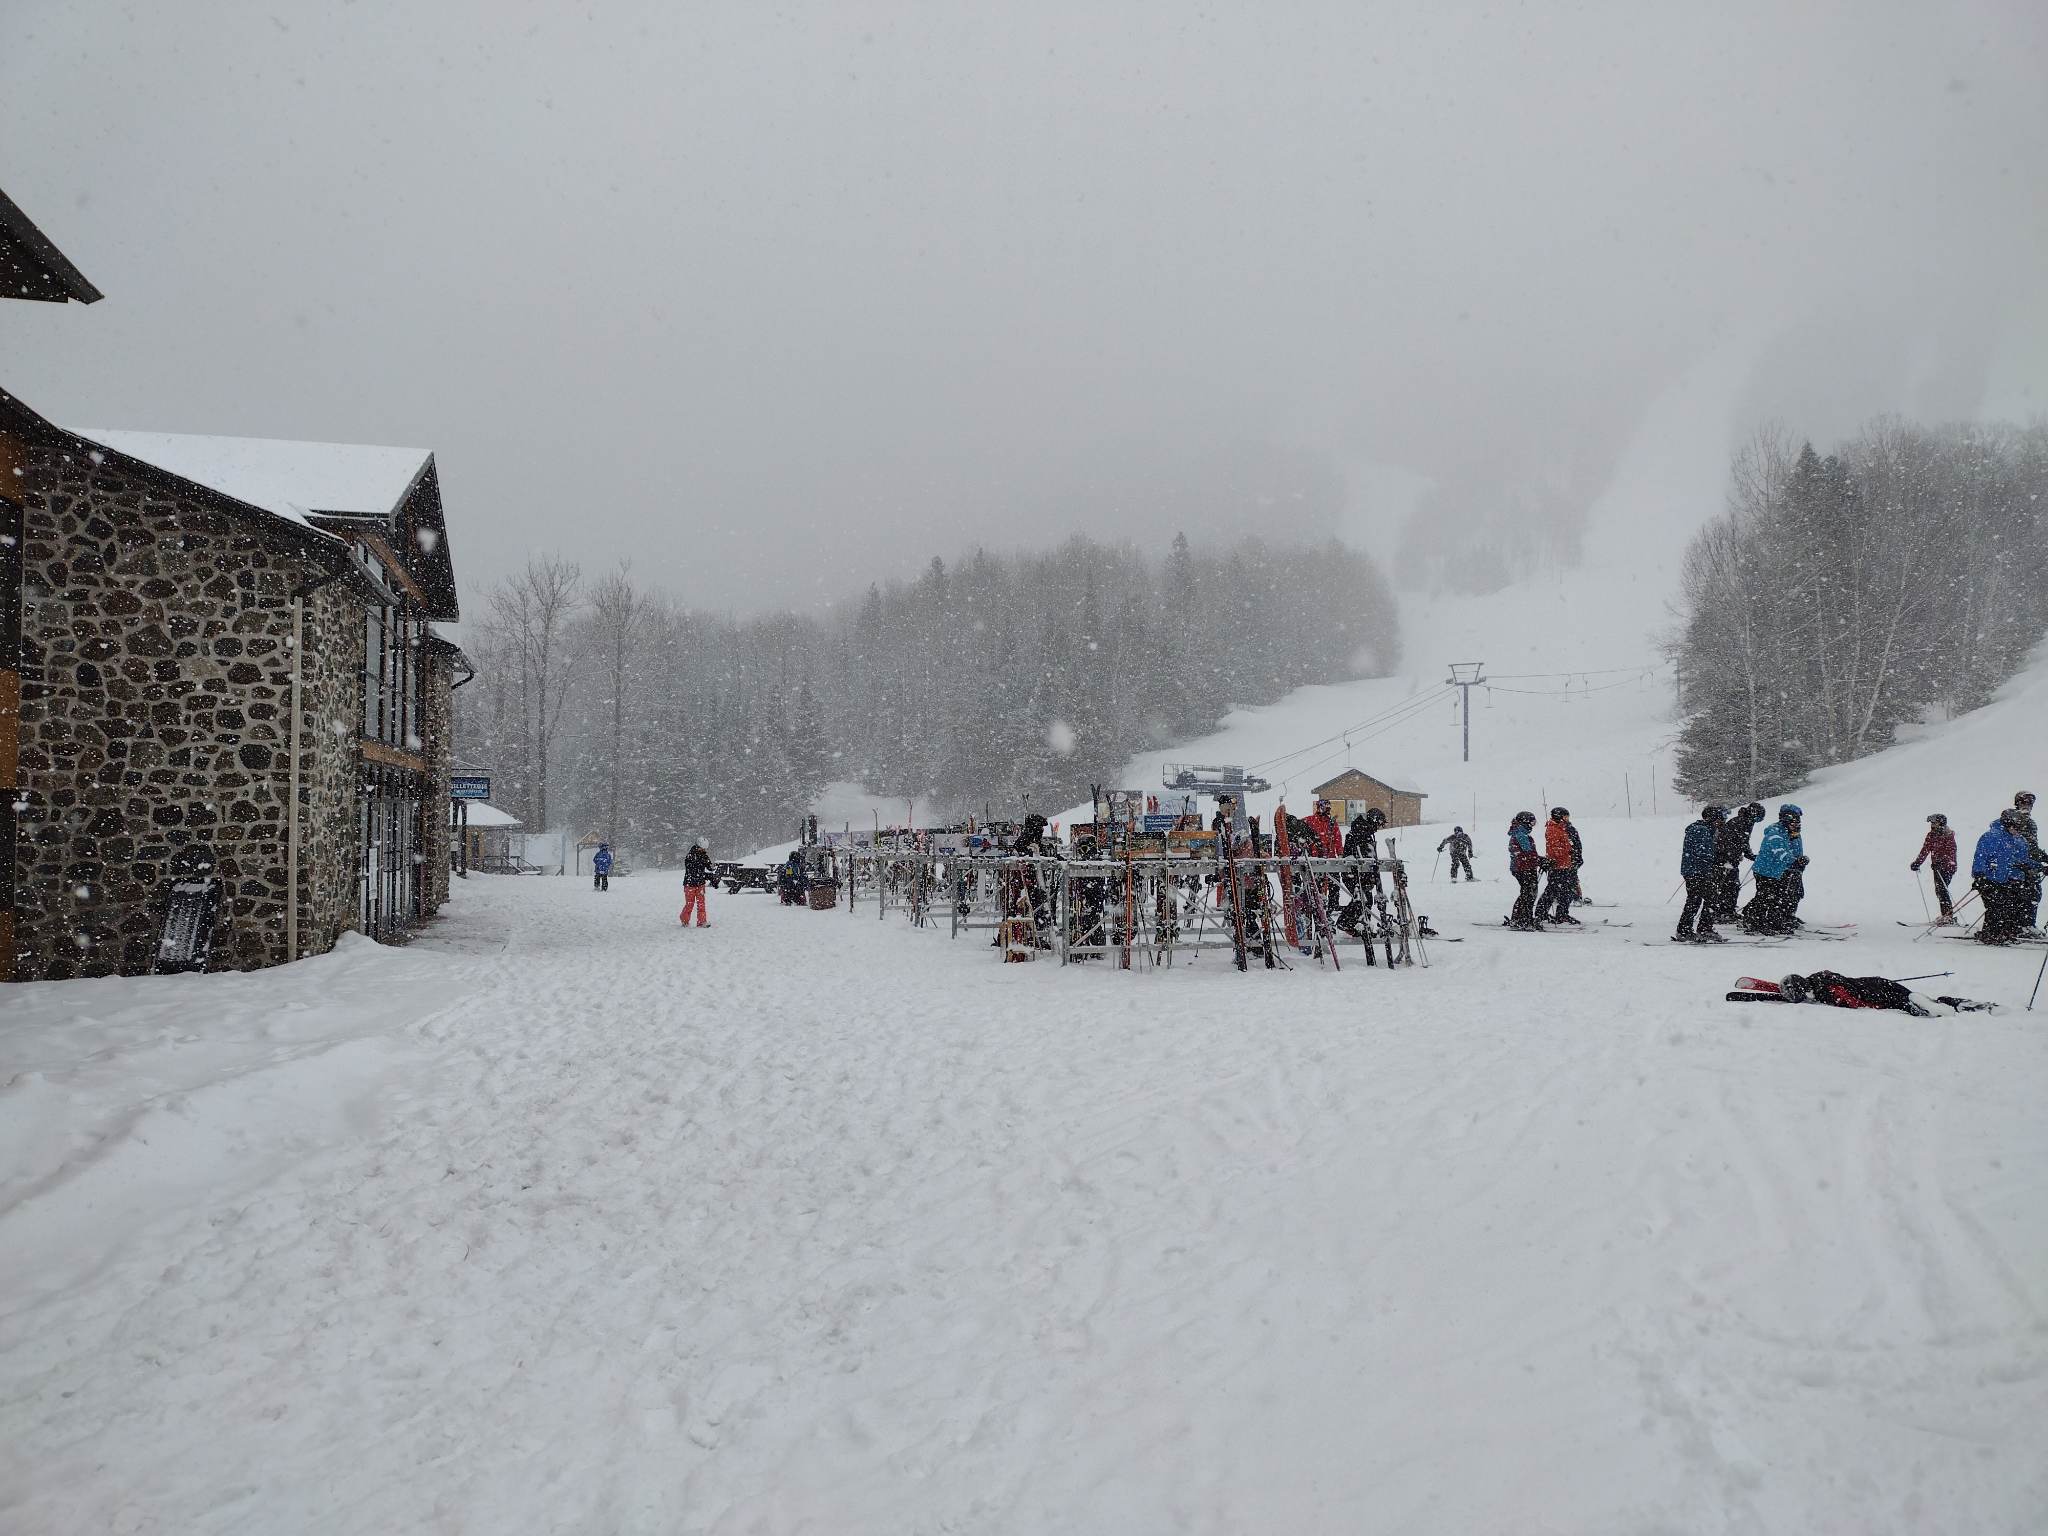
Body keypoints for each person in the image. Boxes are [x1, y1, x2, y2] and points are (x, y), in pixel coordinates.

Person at [1971, 809, 2038, 944]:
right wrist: (1979, 876)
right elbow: (1980, 857)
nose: (2019, 831)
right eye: (2017, 827)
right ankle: (1991, 934)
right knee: (1996, 907)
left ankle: (2005, 931)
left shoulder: (2019, 840)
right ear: (2008, 824)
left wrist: (2038, 866)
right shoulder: (1991, 837)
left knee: (2011, 907)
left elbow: (2023, 859)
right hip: (1990, 879)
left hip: (2009, 880)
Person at [1741, 804, 1808, 934]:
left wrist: (1799, 861)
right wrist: (1794, 862)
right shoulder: (1775, 832)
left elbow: (1796, 851)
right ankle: (1754, 921)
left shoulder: (1791, 833)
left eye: (1798, 821)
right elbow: (1780, 852)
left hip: (1778, 871)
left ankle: (1775, 921)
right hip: (1765, 870)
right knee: (1766, 897)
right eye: (1794, 821)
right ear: (1786, 819)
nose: (1797, 824)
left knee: (1778, 897)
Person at [1674, 805, 1727, 943]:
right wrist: (1719, 860)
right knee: (1709, 898)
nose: (1720, 823)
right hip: (1697, 871)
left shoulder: (1704, 829)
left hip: (1696, 870)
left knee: (1696, 899)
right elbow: (1703, 852)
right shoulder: (1701, 830)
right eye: (1719, 820)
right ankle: (1701, 929)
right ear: (1712, 819)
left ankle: (1688, 930)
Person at [1711, 802, 1762, 925]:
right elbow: (1732, 841)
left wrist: (1749, 855)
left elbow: (1743, 841)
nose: (1757, 821)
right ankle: (1722, 912)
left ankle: (1725, 910)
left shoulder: (1745, 821)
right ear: (1753, 814)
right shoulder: (1741, 822)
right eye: (1758, 818)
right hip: (1724, 860)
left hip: (1728, 859)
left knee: (1731, 885)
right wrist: (1732, 856)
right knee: (1729, 885)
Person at [1910, 813, 1958, 924]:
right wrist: (1918, 862)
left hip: (1947, 867)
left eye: (1934, 822)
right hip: (1936, 867)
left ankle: (1948, 916)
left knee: (1942, 890)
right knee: (1939, 891)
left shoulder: (1948, 836)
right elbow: (1925, 850)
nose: (1932, 825)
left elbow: (1951, 852)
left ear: (1940, 823)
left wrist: (1942, 862)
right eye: (1931, 823)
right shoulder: (1931, 835)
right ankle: (1946, 914)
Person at [1534, 807, 1579, 924]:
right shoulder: (1553, 829)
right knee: (1553, 890)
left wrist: (1571, 853)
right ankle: (1541, 913)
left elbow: (1565, 844)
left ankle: (1561, 914)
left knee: (1566, 890)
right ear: (1559, 817)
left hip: (1565, 865)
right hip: (1558, 866)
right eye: (1565, 817)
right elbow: (1555, 848)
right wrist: (1569, 851)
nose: (1567, 819)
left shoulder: (1560, 828)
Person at [1506, 810, 1543, 930]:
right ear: (1525, 822)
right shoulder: (1520, 834)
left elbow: (1529, 854)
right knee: (1528, 893)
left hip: (1524, 867)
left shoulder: (1521, 833)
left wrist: (1539, 860)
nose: (1532, 826)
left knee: (1528, 893)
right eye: (1532, 823)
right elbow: (1526, 853)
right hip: (1522, 868)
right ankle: (1521, 920)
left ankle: (1522, 918)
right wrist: (1540, 861)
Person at [2011, 792, 2042, 931]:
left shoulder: (2031, 823)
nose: (2027, 806)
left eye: (2030, 803)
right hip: (2019, 865)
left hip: (2031, 864)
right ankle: (2022, 925)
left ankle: (2028, 924)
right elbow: (2012, 844)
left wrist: (2043, 858)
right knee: (2025, 894)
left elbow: (2033, 847)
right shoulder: (2012, 820)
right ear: (2017, 803)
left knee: (2034, 892)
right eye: (2024, 802)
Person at [680, 841, 713, 927]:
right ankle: (684, 920)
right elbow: (692, 870)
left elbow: (709, 867)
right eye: (702, 848)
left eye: (705, 849)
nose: (704, 850)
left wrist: (712, 867)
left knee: (701, 904)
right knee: (689, 904)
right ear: (698, 846)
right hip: (689, 884)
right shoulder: (690, 856)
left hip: (700, 884)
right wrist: (704, 873)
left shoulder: (704, 856)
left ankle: (702, 922)